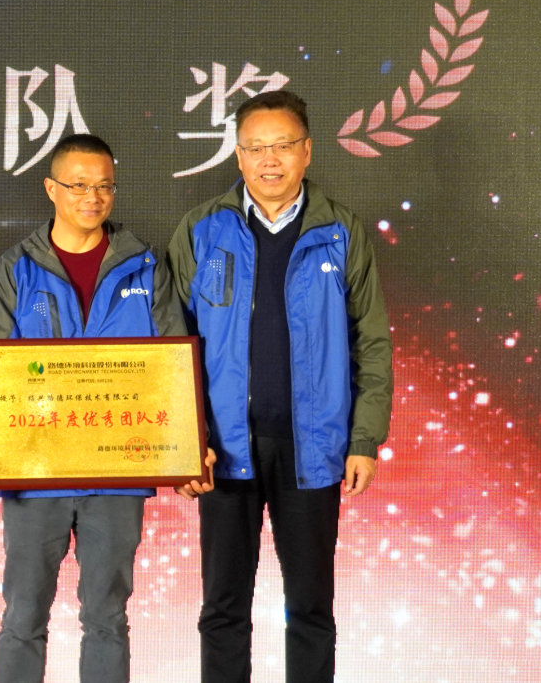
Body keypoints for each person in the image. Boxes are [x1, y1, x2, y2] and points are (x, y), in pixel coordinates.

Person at [0, 133, 213, 683]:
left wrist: (192, 449)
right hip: (33, 475)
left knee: (107, 619)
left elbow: (175, 366)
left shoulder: (144, 267)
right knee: (22, 616)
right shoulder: (16, 269)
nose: (92, 197)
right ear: (51, 188)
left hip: (117, 472)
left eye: (104, 186)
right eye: (78, 185)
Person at [166, 90, 393, 683]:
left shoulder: (340, 231)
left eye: (283, 146)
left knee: (312, 607)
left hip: (312, 447)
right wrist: (184, 445)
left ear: (307, 152)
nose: (270, 160)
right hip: (223, 447)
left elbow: (371, 342)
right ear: (238, 155)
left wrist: (364, 440)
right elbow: (170, 346)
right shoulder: (202, 230)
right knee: (222, 608)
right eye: (256, 148)